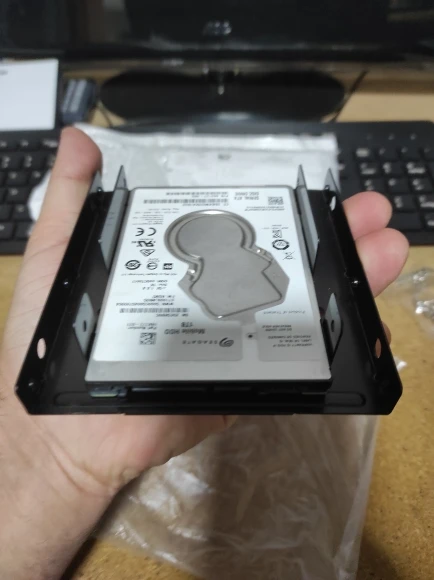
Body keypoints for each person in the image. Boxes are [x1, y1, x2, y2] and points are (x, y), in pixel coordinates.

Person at [0, 128, 408, 580]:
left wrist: (47, 468)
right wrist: (40, 458)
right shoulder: (215, 272)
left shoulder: (229, 270)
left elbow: (266, 277)